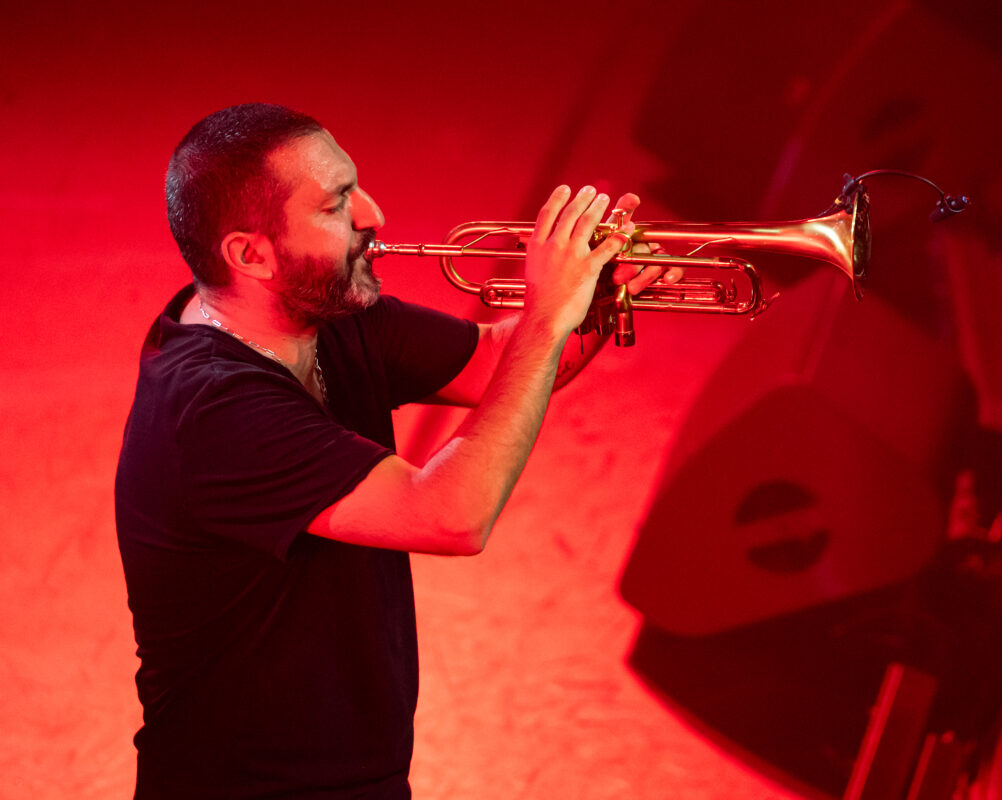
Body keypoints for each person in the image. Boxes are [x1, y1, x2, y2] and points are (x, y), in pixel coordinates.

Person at [114, 102, 680, 798]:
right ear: (250, 253)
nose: (373, 215)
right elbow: (451, 514)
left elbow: (490, 365)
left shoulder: (321, 311)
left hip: (352, 777)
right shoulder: (212, 411)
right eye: (335, 205)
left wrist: (592, 299)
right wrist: (546, 316)